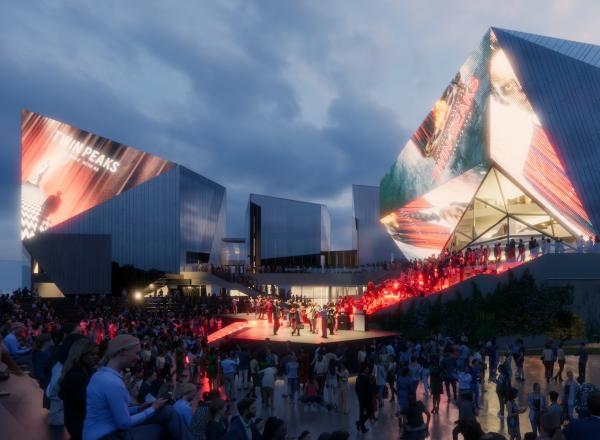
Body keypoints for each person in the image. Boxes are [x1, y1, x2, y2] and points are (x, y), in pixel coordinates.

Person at [82, 334, 189, 440]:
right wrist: (153, 408)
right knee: (163, 426)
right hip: (108, 436)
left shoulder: (100, 375)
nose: (138, 358)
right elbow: (124, 423)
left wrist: (138, 408)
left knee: (167, 412)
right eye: (136, 353)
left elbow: (113, 411)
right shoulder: (113, 383)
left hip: (96, 433)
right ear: (123, 352)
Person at [58, 338, 99, 440]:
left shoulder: (84, 371)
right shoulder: (76, 377)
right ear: (81, 355)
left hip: (78, 421)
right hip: (79, 424)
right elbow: (86, 403)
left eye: (96, 354)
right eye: (92, 354)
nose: (96, 357)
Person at [355, 363, 371, 434]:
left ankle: (360, 424)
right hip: (365, 397)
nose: (367, 370)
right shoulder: (365, 378)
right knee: (368, 412)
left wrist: (359, 395)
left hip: (361, 397)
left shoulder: (359, 377)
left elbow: (356, 388)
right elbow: (368, 388)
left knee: (362, 412)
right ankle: (361, 425)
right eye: (366, 369)